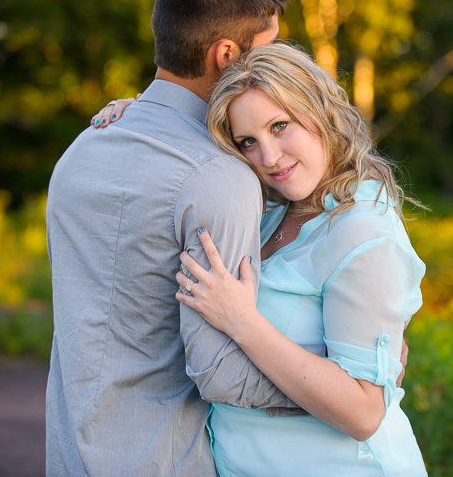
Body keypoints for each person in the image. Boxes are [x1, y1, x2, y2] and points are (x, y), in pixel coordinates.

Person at [100, 43, 428, 475]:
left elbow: (364, 413)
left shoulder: (363, 230)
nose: (268, 158)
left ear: (320, 110)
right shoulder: (273, 212)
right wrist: (144, 113)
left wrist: (243, 322)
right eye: (248, 142)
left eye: (281, 126)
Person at [44, 0, 296, 476]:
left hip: (69, 458)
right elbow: (221, 373)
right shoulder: (217, 177)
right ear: (227, 55)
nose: (278, 69)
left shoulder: (83, 148)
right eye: (268, 52)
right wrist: (351, 386)